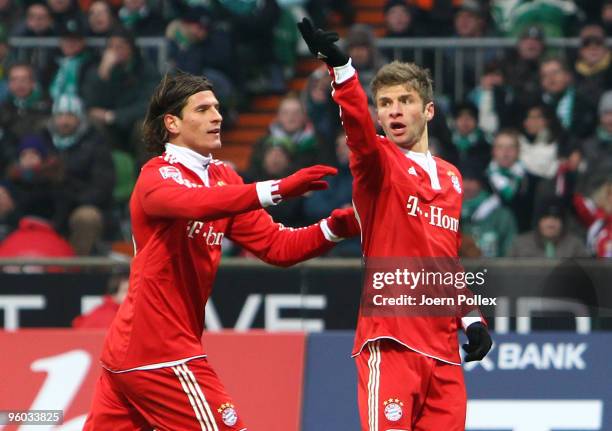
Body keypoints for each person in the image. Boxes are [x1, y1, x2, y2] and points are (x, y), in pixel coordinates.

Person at [83, 71, 360, 430]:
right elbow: (196, 205)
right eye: (202, 109)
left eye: (216, 107)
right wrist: (278, 189)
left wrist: (334, 229)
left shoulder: (223, 179)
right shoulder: (156, 176)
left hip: (138, 354)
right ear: (172, 123)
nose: (217, 116)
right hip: (158, 351)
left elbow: (278, 247)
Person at [298, 17, 492, 431]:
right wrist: (343, 71)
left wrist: (472, 318)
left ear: (428, 110)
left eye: (404, 100)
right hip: (392, 342)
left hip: (443, 352)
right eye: (385, 104)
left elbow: (446, 259)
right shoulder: (378, 164)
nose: (394, 110)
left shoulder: (452, 177)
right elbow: (359, 134)